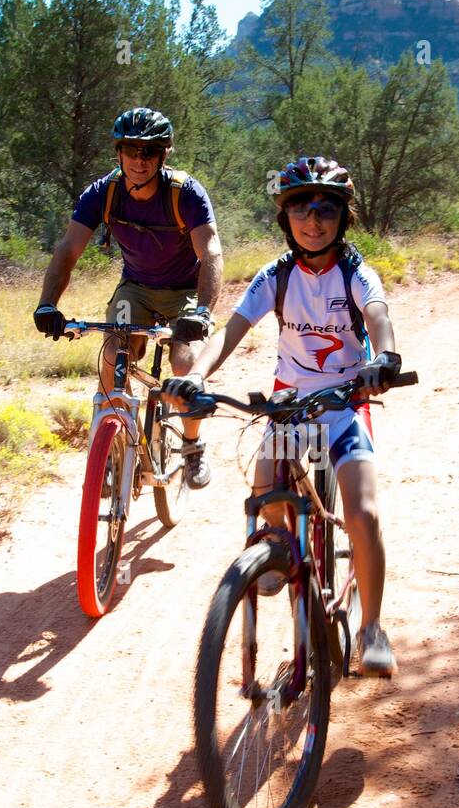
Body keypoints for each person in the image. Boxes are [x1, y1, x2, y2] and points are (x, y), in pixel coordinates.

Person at [160, 155, 402, 677]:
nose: (312, 220)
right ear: (285, 218)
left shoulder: (356, 271)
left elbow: (377, 316)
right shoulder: (278, 275)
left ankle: (373, 628)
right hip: (289, 406)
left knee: (363, 514)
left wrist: (384, 358)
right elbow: (232, 328)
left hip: (344, 404)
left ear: (342, 218)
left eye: (325, 209)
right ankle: (277, 554)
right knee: (266, 494)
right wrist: (197, 377)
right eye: (300, 208)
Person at [32, 107, 223, 488]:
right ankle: (117, 443)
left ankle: (192, 444)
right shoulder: (104, 193)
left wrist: (202, 311)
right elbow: (68, 249)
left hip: (184, 289)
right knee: (111, 356)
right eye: (131, 150)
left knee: (184, 364)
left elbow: (211, 253)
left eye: (149, 151)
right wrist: (47, 303)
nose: (139, 160)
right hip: (135, 287)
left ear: (163, 155)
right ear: (119, 152)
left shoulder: (185, 193)